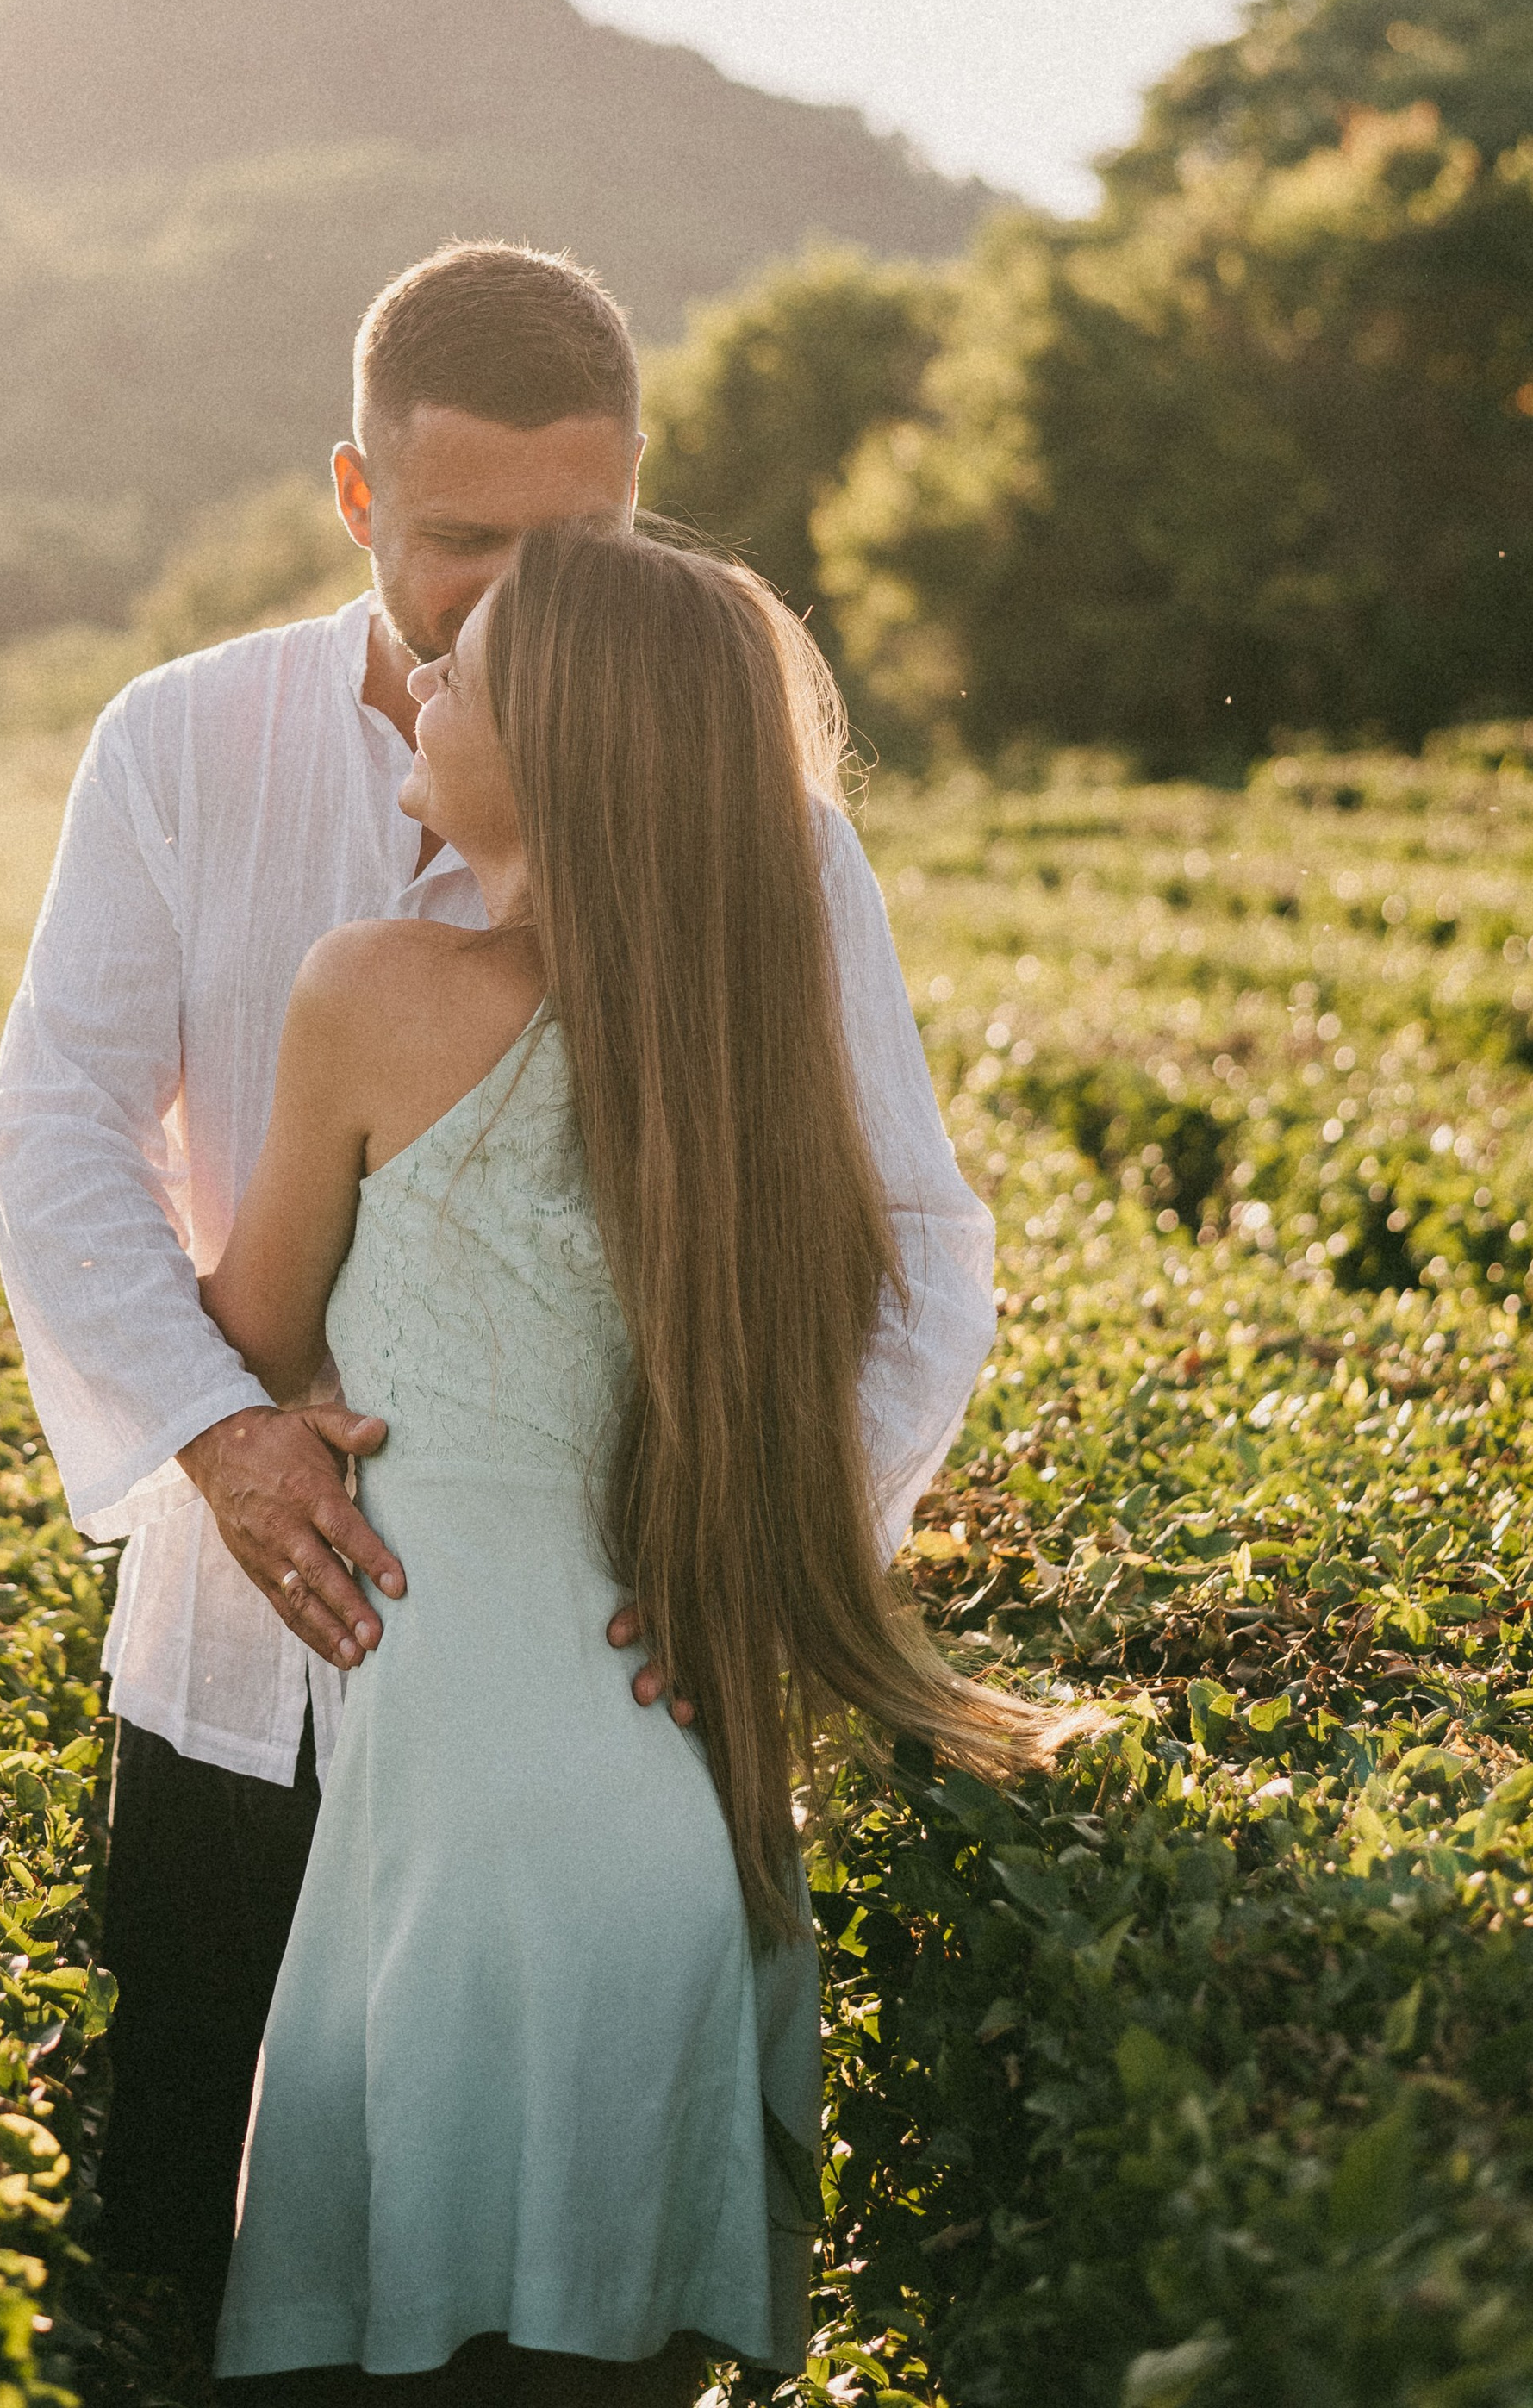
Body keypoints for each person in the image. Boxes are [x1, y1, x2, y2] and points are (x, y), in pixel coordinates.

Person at [0, 241, 1000, 2354]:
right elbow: (55, 1131)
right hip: (242, 1676)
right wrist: (220, 1438)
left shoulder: (773, 841)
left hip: (601, 1710)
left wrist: (763, 1554)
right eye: (463, 547)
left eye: (590, 542)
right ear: (356, 500)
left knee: (586, 2311)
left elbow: (917, 1256)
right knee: (174, 2256)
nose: (522, 597)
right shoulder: (178, 744)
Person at [203, 521, 1067, 2396]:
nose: (421, 679)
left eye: (468, 669)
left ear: (561, 749)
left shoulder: (368, 986)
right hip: (665, 1806)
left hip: (456, 1830)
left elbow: (257, 1328)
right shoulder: (732, 1060)